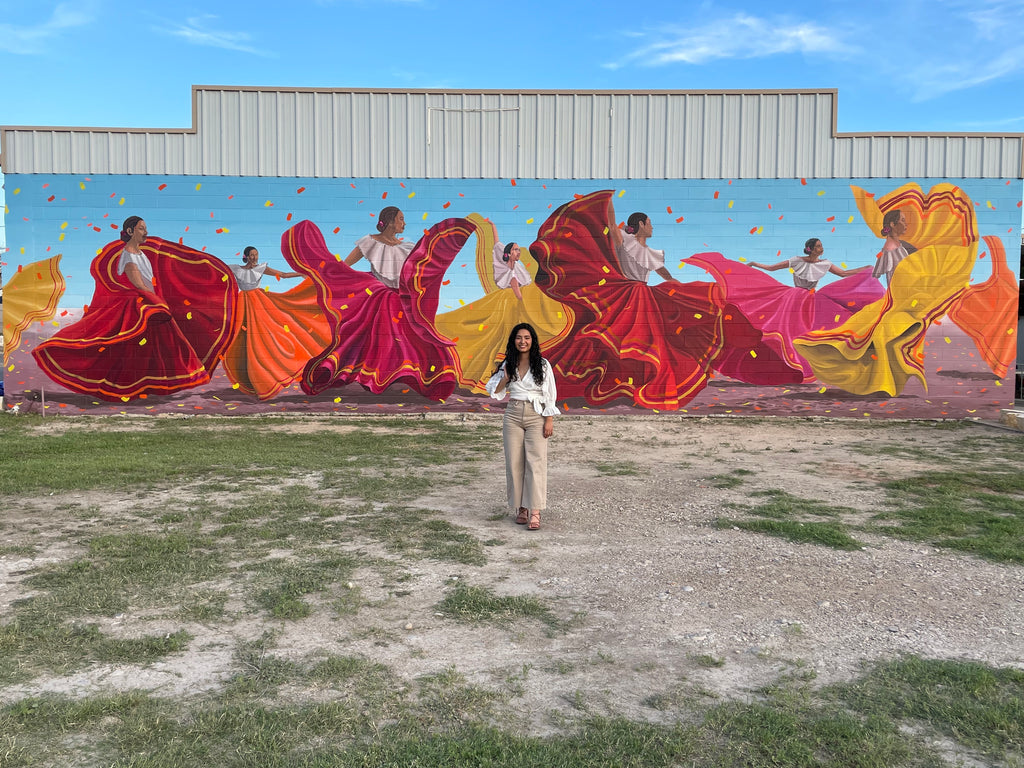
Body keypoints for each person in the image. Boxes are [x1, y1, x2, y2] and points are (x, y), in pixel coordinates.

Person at [531, 191, 800, 411]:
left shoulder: (655, 254)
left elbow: (667, 277)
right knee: (619, 340)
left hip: (643, 294)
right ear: (640, 226)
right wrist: (606, 200)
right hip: (623, 292)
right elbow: (611, 227)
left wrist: (681, 292)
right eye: (649, 222)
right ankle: (593, 383)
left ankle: (629, 385)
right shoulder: (624, 241)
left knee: (647, 340)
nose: (652, 226)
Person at [281, 206, 483, 400]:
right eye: (401, 218)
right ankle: (370, 377)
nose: (404, 222)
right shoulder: (369, 242)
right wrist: (306, 272)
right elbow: (342, 266)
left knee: (416, 340)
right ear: (389, 221)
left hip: (404, 297)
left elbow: (421, 271)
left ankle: (418, 378)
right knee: (378, 341)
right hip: (379, 297)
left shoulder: (408, 247)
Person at [32, 216, 237, 400]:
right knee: (136, 347)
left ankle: (147, 385)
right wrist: (156, 300)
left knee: (150, 348)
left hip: (147, 302)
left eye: (145, 228)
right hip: (139, 305)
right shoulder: (129, 255)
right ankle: (126, 385)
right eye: (141, 228)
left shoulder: (139, 253)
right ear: (130, 231)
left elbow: (148, 280)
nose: (145, 232)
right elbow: (138, 284)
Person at [434, 220, 571, 394]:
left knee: (504, 336)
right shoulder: (503, 265)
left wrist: (492, 225)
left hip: (514, 300)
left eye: (518, 250)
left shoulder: (518, 268)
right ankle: (503, 373)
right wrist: (524, 299)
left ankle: (512, 371)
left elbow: (519, 281)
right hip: (508, 301)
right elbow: (514, 285)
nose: (518, 252)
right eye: (515, 250)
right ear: (508, 253)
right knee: (497, 334)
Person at [222, 246, 332, 400]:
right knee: (240, 338)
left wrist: (302, 274)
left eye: (256, 254)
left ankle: (263, 376)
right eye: (252, 255)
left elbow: (283, 275)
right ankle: (248, 376)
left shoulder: (260, 268)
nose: (255, 257)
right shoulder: (235, 269)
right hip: (242, 304)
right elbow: (218, 270)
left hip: (258, 303)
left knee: (260, 338)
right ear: (246, 256)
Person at [486, 323, 558, 531]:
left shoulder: (542, 364)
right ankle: (521, 508)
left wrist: (549, 419)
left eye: (527, 337)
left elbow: (550, 392)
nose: (523, 341)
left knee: (535, 462)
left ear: (532, 340)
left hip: (536, 414)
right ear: (513, 341)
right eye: (519, 337)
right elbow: (495, 391)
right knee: (514, 462)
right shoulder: (508, 363)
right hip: (513, 414)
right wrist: (507, 377)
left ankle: (535, 510)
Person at [749, 238, 871, 290]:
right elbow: (771, 268)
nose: (822, 248)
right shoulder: (797, 261)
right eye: (818, 246)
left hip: (812, 296)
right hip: (796, 295)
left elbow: (843, 273)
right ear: (811, 249)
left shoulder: (825, 263)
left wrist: (866, 268)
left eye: (821, 245)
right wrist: (754, 263)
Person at [870, 210, 918, 284]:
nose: (906, 224)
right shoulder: (889, 250)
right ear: (892, 224)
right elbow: (876, 273)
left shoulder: (898, 245)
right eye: (902, 220)